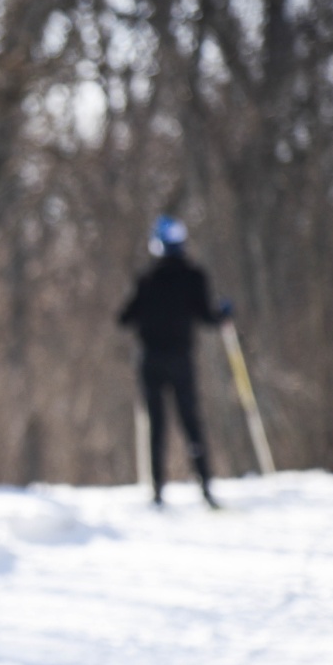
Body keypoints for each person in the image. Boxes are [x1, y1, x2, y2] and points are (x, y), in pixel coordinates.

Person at [118, 214, 230, 508]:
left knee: (157, 426)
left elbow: (125, 317)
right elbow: (208, 316)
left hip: (151, 361)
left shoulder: (146, 278)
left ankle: (158, 491)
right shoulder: (193, 276)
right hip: (181, 360)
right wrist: (224, 313)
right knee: (191, 422)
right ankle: (205, 488)